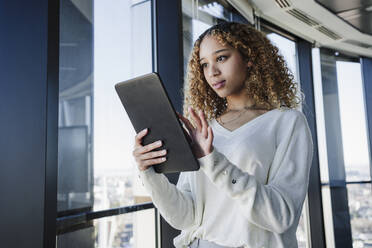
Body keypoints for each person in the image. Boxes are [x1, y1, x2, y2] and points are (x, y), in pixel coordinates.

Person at [132, 21, 313, 248]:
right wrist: (149, 174)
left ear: (249, 57)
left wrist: (212, 161)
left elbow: (281, 216)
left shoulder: (286, 122)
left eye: (221, 58)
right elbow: (185, 217)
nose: (212, 72)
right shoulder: (204, 130)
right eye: (204, 65)